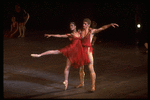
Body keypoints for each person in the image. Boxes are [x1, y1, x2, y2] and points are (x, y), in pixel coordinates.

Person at [31, 22, 90, 90]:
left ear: (75, 26)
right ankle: (40, 55)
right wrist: (51, 35)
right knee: (57, 53)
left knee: (79, 68)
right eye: (70, 26)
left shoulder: (79, 32)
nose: (71, 27)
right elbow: (60, 35)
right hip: (71, 50)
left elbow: (86, 33)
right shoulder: (71, 34)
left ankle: (78, 82)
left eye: (72, 25)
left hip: (78, 52)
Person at [76, 18, 119, 92]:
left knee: (91, 68)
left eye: (85, 24)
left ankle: (93, 86)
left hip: (88, 51)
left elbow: (102, 28)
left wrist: (110, 25)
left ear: (88, 25)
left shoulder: (91, 31)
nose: (83, 25)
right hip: (81, 51)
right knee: (81, 69)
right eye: (83, 23)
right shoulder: (80, 31)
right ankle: (82, 83)